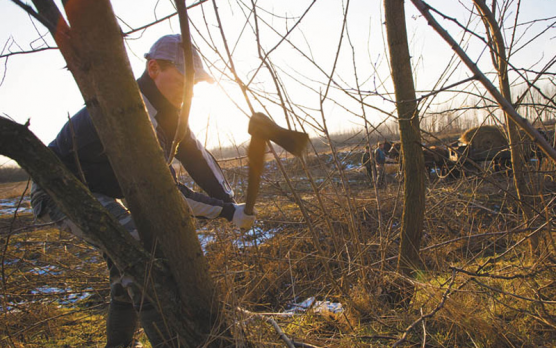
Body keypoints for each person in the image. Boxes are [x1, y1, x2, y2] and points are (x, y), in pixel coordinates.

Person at [30, 34, 255, 348]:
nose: (189, 90)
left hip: (98, 190)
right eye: (184, 80)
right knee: (136, 254)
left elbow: (196, 157)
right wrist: (228, 213)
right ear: (153, 69)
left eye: (195, 84)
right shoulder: (126, 112)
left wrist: (229, 201)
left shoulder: (169, 113)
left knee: (127, 269)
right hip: (59, 188)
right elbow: (162, 191)